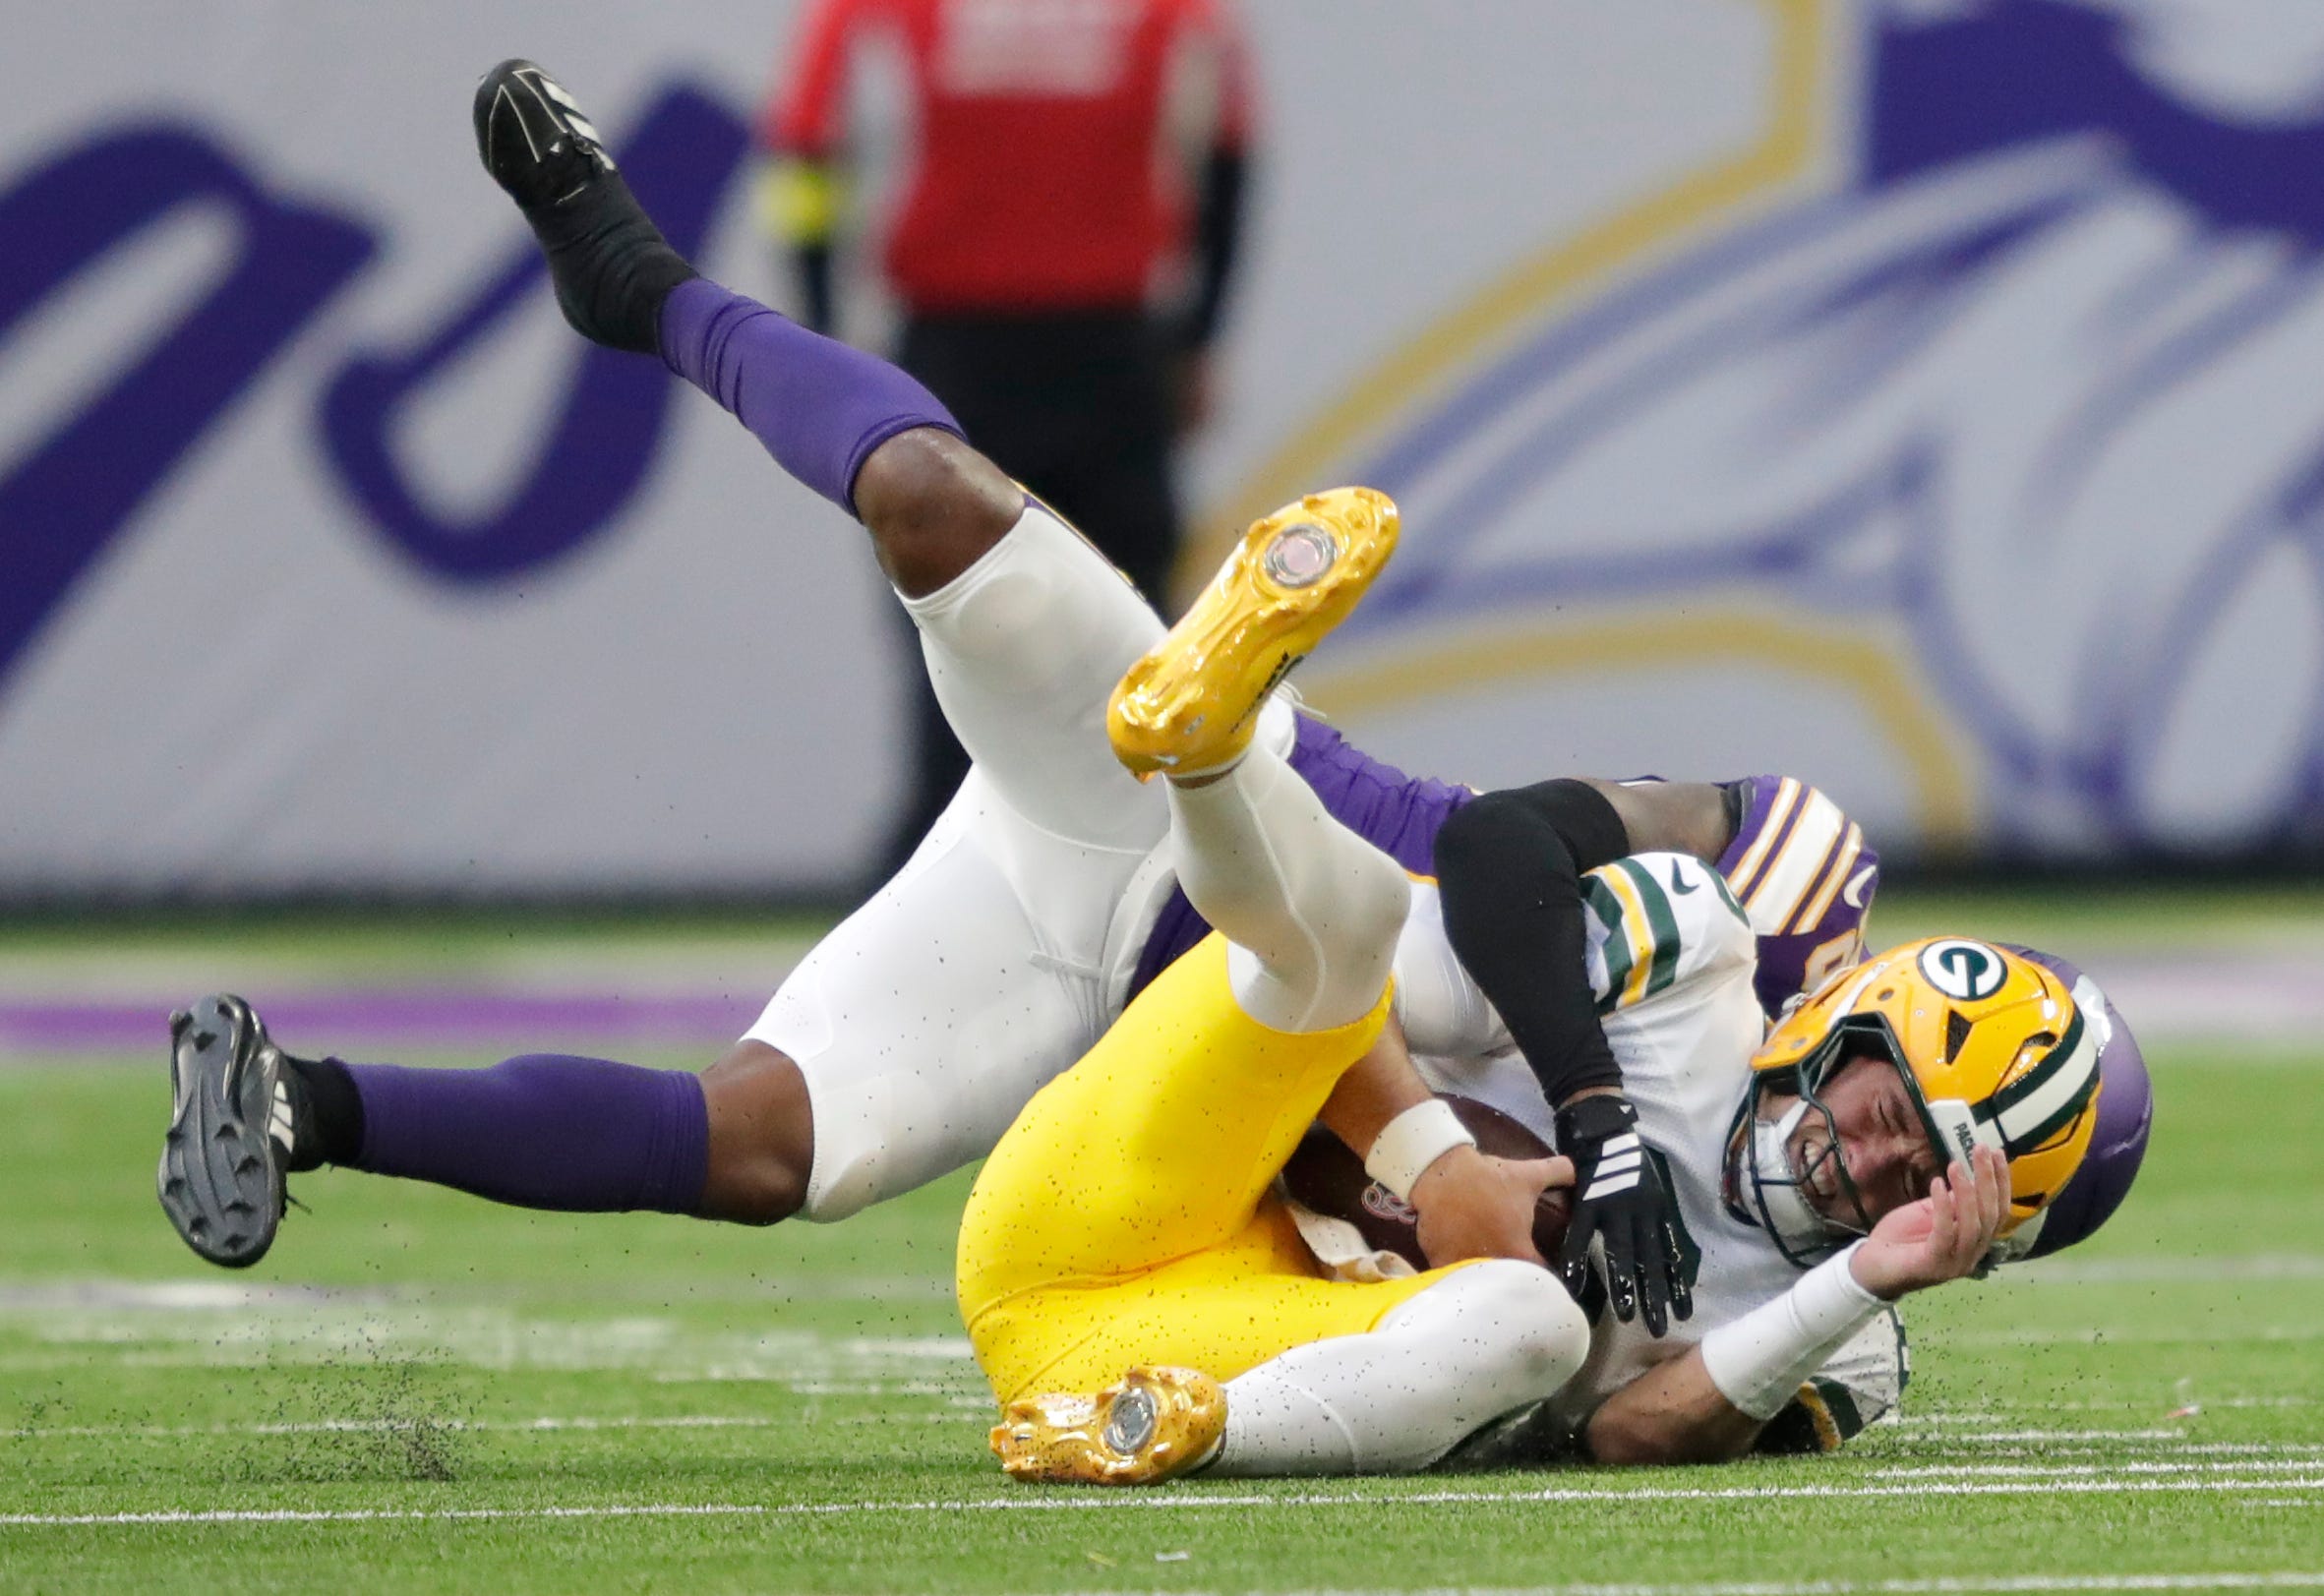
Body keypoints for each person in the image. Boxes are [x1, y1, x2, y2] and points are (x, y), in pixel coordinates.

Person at [156, 61, 2146, 1315]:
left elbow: (1575, 1336)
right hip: (1230, 836)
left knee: (773, 1146)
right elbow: (1524, 856)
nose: (1880, 1162)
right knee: (944, 512)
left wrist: (1595, 1241)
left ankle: (295, 1097)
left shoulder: (1791, 1269)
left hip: (1155, 1004)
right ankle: (642, 284)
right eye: (1909, 1128)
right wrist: (1602, 1111)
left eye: (1939, 1184)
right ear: (1871, 1018)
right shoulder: (1755, 920)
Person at [968, 458, 2112, 1484]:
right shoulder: (1685, 960)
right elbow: (1370, 946)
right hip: (1101, 1206)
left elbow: (1629, 1436)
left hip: (1195, 1338)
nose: (1862, 1164)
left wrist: (1858, 1281)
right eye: (1883, 1114)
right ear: (1841, 1022)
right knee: (1363, 920)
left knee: (1532, 1325)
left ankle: (1164, 1433)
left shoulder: (1844, 1333)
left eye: (1914, 1179)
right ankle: (1205, 762)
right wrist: (1481, 1153)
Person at [761, 0, 1255, 877]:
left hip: (954, 364)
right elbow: (1227, 148)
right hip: (1108, 359)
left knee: (957, 662)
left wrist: (822, 338)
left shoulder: (874, 11)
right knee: (1135, 656)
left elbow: (804, 151)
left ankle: (932, 909)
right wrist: (1198, 333)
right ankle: (1170, 905)